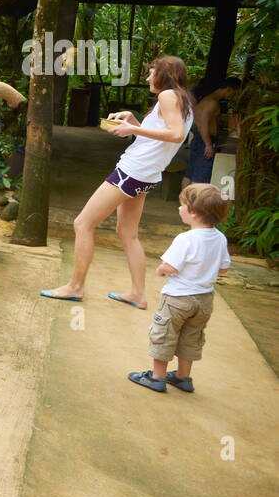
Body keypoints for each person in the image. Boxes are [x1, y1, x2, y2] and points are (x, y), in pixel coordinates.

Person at [41, 55, 195, 310]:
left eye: (151, 72)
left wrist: (133, 130)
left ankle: (75, 287)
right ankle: (138, 294)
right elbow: (163, 134)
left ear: (165, 75)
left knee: (82, 223)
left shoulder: (167, 97)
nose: (147, 78)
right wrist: (134, 120)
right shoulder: (183, 98)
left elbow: (175, 134)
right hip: (146, 174)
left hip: (132, 171)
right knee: (127, 234)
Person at [128, 183, 231, 392]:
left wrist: (160, 270)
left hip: (178, 299)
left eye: (182, 205)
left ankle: (157, 377)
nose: (179, 209)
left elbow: (170, 267)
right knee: (191, 337)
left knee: (165, 334)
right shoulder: (220, 238)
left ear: (193, 213)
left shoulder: (186, 239)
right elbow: (223, 270)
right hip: (204, 300)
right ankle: (183, 377)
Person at [184, 78, 241, 187]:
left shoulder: (207, 99)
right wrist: (208, 144)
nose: (233, 96)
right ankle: (193, 203)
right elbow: (203, 124)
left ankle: (186, 202)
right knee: (200, 177)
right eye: (234, 92)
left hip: (200, 139)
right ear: (229, 89)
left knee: (190, 174)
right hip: (204, 141)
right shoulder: (212, 102)